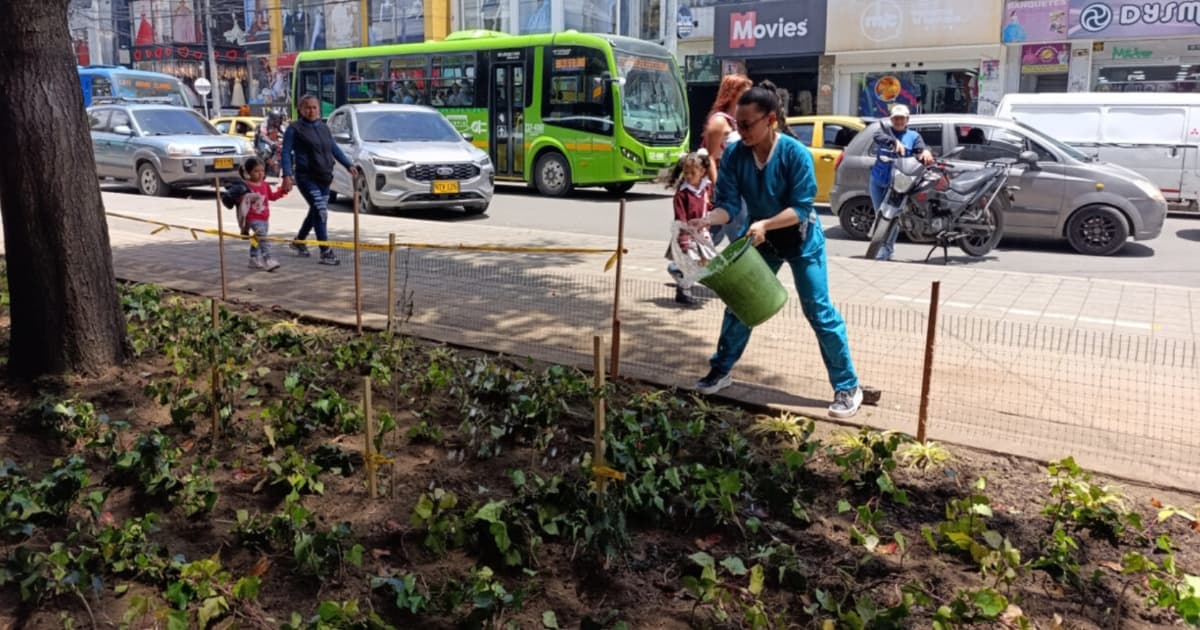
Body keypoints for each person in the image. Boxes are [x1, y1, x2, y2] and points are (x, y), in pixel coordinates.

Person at [689, 81, 864, 419]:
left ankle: (848, 386)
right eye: (737, 124)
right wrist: (707, 218)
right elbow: (726, 203)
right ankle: (721, 369)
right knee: (740, 305)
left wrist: (766, 224)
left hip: (801, 240)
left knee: (819, 311)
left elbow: (801, 208)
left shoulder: (794, 154)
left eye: (747, 124)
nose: (739, 131)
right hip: (762, 240)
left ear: (770, 120)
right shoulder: (736, 155)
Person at [281, 94, 359, 265]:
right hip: (306, 177)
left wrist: (348, 165)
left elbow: (334, 148)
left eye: (314, 107)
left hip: (324, 177)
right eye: (307, 107)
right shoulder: (294, 129)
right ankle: (325, 251)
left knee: (317, 210)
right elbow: (285, 152)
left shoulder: (324, 128)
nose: (311, 111)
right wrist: (286, 175)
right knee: (321, 210)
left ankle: (299, 241)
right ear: (300, 109)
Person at [869, 104, 933, 261]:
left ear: (907, 120)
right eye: (895, 118)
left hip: (900, 184)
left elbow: (920, 152)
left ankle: (887, 249)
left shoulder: (914, 136)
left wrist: (925, 151)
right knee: (880, 215)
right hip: (878, 179)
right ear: (891, 119)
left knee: (892, 217)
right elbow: (877, 137)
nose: (898, 121)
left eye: (901, 118)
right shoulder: (885, 131)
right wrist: (893, 142)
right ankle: (880, 246)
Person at [664, 149, 713, 306]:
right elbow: (680, 217)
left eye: (693, 173)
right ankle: (684, 291)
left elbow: (709, 205)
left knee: (705, 264)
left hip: (702, 232)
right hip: (688, 234)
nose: (689, 176)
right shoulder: (682, 194)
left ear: (703, 172)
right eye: (686, 173)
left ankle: (676, 269)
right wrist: (683, 238)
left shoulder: (706, 188)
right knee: (693, 264)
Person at [238, 157, 287, 271]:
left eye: (262, 171)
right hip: (253, 218)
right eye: (256, 171)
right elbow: (240, 200)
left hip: (264, 217)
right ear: (249, 172)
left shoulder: (265, 185)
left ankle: (253, 258)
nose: (260, 174)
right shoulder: (245, 186)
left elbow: (272, 197)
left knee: (257, 238)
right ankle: (268, 259)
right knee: (264, 239)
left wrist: (282, 191)